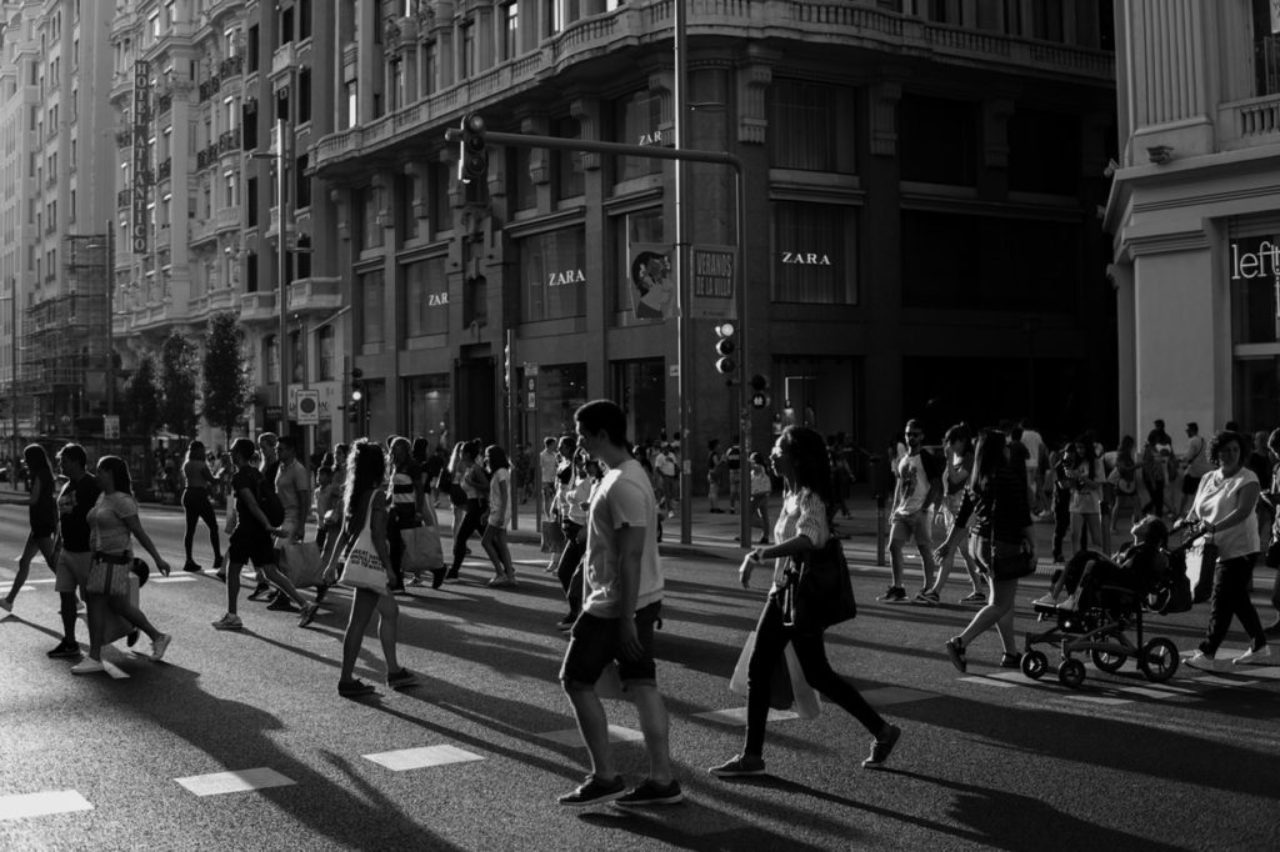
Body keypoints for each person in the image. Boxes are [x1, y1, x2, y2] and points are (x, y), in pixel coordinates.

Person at [711, 426, 901, 778]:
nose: (772, 453)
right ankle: (882, 730)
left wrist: (762, 553)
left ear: (796, 456)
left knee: (778, 670)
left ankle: (753, 757)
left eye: (779, 448)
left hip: (797, 595)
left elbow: (811, 538)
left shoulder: (811, 496)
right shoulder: (791, 492)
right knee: (808, 673)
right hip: (784, 593)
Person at [557, 399, 682, 807]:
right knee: (643, 683)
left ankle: (606, 775)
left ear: (601, 435)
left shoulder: (623, 483)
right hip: (633, 600)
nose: (579, 442)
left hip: (614, 605)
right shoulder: (622, 476)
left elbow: (629, 555)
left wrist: (626, 616)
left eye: (582, 434)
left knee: (576, 679)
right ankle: (661, 779)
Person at [322, 439, 416, 697]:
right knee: (358, 623)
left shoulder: (354, 494)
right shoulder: (376, 496)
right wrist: (389, 568)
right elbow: (376, 534)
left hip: (360, 562)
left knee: (390, 612)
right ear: (378, 466)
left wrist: (332, 564)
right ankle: (347, 680)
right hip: (372, 565)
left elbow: (344, 532)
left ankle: (394, 670)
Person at [934, 429, 1034, 671]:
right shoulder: (1007, 476)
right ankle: (960, 642)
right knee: (1000, 603)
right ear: (1000, 451)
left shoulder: (976, 478)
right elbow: (1022, 515)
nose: (1009, 450)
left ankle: (1010, 653)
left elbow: (963, 516)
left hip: (979, 543)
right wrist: (1034, 548)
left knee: (1002, 601)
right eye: (1006, 446)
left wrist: (948, 544)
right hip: (1003, 544)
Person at [70, 456, 173, 675]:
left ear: (110, 473)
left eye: (100, 471)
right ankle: (158, 636)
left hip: (113, 560)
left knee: (95, 602)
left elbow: (138, 532)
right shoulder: (103, 498)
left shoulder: (122, 501)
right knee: (119, 606)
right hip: (100, 559)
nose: (96, 475)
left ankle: (95, 656)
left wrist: (158, 558)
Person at [1182, 431, 1270, 671]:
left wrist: (1214, 527)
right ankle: (1259, 643)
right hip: (1212, 548)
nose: (1231, 454)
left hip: (1241, 549)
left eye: (1235, 450)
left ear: (1241, 452)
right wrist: (1186, 524)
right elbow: (1196, 510)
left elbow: (1243, 511)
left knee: (1221, 598)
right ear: (1216, 453)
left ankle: (1208, 651)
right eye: (1225, 450)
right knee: (1238, 599)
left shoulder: (1247, 477)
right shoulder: (1208, 477)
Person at [211, 438, 318, 631]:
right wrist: (267, 527)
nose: (230, 453)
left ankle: (232, 615)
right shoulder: (257, 474)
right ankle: (305, 604)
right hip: (260, 532)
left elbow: (251, 504)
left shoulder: (240, 477)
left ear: (239, 454)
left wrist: (269, 526)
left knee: (233, 570)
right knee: (271, 572)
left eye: (233, 451)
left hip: (247, 531)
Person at [1034, 515, 1169, 611]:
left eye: (1143, 522)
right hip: (1118, 577)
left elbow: (1129, 571)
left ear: (1148, 531)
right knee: (1077, 559)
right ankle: (1054, 595)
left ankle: (1074, 599)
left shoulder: (1146, 551)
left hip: (1125, 585)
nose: (1137, 522)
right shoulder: (1127, 546)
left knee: (1090, 560)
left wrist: (1112, 559)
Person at [45, 444, 101, 659]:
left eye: (64, 461)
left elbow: (102, 515)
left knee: (94, 601)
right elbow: (63, 518)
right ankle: (70, 641)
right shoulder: (67, 486)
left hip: (87, 552)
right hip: (68, 551)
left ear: (77, 461)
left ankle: (122, 628)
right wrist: (57, 545)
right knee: (66, 597)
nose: (61, 464)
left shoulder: (91, 484)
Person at [879, 419, 941, 604]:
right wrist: (894, 508)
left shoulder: (925, 457)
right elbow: (899, 483)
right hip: (903, 511)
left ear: (921, 436)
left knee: (924, 550)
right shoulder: (904, 458)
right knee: (893, 546)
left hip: (920, 511)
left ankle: (928, 588)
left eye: (915, 434)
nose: (911, 437)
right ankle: (898, 588)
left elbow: (936, 484)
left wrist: (924, 508)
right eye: (908, 434)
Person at [924, 424, 985, 605]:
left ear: (962, 441)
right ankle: (981, 591)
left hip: (963, 509)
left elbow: (957, 479)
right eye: (947, 441)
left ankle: (935, 591)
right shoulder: (956, 456)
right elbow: (947, 486)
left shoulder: (968, 457)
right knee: (968, 553)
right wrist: (942, 508)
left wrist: (949, 460)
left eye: (952, 441)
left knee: (949, 549)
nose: (948, 445)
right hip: (952, 508)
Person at [1, 443, 59, 616]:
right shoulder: (46, 473)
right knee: (24, 562)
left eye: (26, 458)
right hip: (40, 523)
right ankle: (9, 600)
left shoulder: (39, 475)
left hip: (41, 524)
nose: (24, 461)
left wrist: (7, 501)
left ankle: (75, 599)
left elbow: (34, 500)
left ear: (33, 459)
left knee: (53, 563)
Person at [555, 451, 594, 631]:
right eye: (578, 462)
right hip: (573, 527)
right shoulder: (578, 478)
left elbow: (595, 507)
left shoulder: (592, 481)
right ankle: (575, 612)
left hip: (583, 531)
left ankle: (583, 619)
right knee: (564, 571)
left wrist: (586, 527)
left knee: (582, 579)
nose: (580, 465)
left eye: (583, 462)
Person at [447, 440, 489, 583]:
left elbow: (486, 486)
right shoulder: (469, 468)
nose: (459, 454)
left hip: (477, 507)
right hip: (472, 507)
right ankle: (507, 568)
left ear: (467, 454)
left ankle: (453, 572)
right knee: (488, 540)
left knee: (461, 538)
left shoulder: (476, 469)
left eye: (462, 452)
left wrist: (472, 484)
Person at [386, 436, 425, 593]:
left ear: (405, 449)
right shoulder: (394, 466)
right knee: (395, 546)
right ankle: (397, 583)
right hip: (394, 510)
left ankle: (438, 569)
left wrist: (419, 511)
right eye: (394, 447)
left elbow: (420, 490)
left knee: (408, 545)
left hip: (408, 510)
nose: (395, 450)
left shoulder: (412, 466)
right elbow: (392, 489)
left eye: (398, 447)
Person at [180, 440, 224, 573]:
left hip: (188, 494)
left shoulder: (186, 464)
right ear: (199, 451)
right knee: (213, 526)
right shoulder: (201, 465)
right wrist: (223, 472)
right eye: (202, 450)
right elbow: (212, 480)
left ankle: (188, 560)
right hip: (199, 495)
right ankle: (217, 558)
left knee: (190, 530)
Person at [481, 444, 517, 587]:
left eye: (487, 456)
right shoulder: (500, 472)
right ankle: (510, 575)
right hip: (499, 511)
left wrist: (500, 514)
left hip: (499, 512)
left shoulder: (501, 472)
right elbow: (497, 495)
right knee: (502, 543)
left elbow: (504, 494)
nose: (486, 459)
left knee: (486, 542)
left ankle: (500, 573)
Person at [1067, 435, 1105, 558]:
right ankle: (1076, 561)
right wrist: (1069, 479)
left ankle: (1100, 560)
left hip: (1092, 501)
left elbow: (1096, 485)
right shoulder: (1075, 462)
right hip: (1077, 501)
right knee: (1074, 535)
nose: (1079, 451)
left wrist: (1081, 477)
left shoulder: (1097, 462)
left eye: (1082, 448)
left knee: (1096, 538)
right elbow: (1072, 486)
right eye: (1077, 448)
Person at [1110, 436, 1141, 534]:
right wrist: (1137, 466)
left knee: (1136, 503)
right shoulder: (1121, 455)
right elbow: (1123, 468)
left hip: (1130, 482)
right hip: (1122, 482)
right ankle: (1112, 527)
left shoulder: (1127, 455)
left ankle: (1135, 524)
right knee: (1118, 505)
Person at [1179, 423, 1211, 516]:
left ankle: (1181, 513)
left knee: (1185, 493)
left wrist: (1179, 460)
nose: (1187, 432)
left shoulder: (1192, 441)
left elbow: (1188, 456)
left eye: (1188, 430)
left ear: (1192, 430)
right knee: (1201, 493)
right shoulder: (1203, 440)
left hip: (1194, 471)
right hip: (1204, 471)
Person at [747, 451, 773, 545]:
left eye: (752, 458)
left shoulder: (759, 468)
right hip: (762, 495)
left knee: (748, 515)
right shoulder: (759, 469)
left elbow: (752, 466)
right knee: (764, 515)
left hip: (759, 496)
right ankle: (765, 536)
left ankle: (747, 533)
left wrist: (745, 459)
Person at [706, 439, 725, 514]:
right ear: (715, 446)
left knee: (711, 492)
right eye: (718, 444)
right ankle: (715, 508)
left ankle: (712, 507)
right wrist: (722, 460)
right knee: (714, 492)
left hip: (710, 473)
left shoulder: (710, 453)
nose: (719, 446)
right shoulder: (714, 454)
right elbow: (717, 463)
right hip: (714, 473)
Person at [725, 436, 743, 514]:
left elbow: (726, 461)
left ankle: (732, 508)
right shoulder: (741, 450)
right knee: (740, 490)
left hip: (732, 471)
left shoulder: (729, 450)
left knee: (732, 491)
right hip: (739, 470)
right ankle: (742, 507)